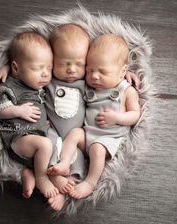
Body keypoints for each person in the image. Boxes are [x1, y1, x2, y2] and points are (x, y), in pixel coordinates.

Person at [0, 26, 140, 211]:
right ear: (53, 61)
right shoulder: (48, 79)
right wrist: (9, 68)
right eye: (63, 64)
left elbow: (107, 77)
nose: (71, 70)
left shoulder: (87, 82)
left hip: (78, 137)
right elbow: (30, 68)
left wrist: (123, 74)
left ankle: (65, 188)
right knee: (48, 149)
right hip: (50, 130)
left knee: (75, 160)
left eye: (79, 64)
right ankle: (49, 179)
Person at [53, 33, 141, 199]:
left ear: (122, 72)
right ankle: (64, 163)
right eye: (90, 70)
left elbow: (135, 115)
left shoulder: (126, 90)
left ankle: (90, 182)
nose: (94, 76)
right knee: (74, 134)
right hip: (88, 135)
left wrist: (117, 118)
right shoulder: (90, 86)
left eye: (102, 72)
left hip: (109, 139)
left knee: (97, 148)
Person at [0, 32, 59, 199]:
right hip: (18, 137)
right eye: (37, 68)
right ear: (15, 68)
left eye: (48, 68)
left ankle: (27, 173)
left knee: (60, 150)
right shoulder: (11, 86)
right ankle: (41, 178)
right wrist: (18, 110)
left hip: (32, 139)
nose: (45, 74)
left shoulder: (38, 86)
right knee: (46, 146)